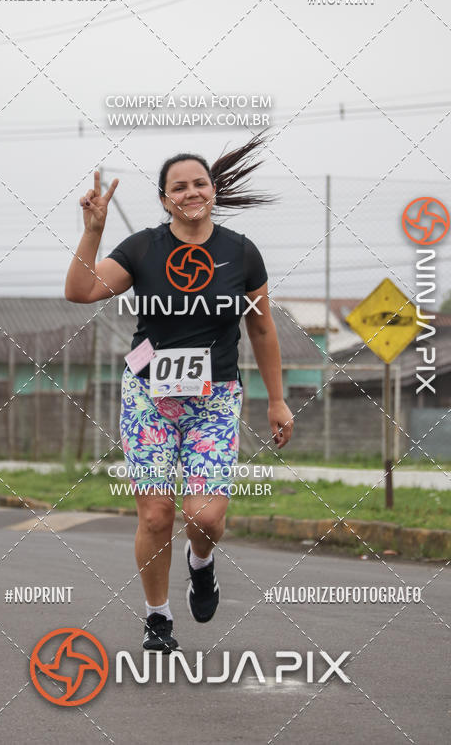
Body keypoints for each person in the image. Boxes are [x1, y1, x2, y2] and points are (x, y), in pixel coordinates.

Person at [65, 136, 294, 653]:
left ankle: (202, 565)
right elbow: (81, 291)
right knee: (155, 515)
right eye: (179, 187)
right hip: (149, 395)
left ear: (212, 191)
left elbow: (261, 331)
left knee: (205, 517)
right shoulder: (144, 248)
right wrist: (93, 233)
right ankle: (158, 617)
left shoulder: (240, 252)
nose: (191, 192)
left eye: (199, 183)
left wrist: (276, 400)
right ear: (166, 199)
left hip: (216, 399)